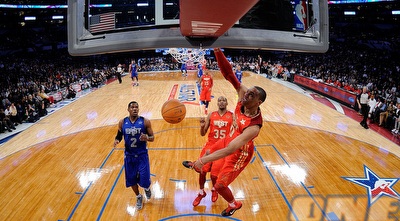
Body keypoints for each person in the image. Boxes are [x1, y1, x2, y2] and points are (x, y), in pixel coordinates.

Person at [184, 48, 267, 217]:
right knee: (207, 153)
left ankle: (233, 204)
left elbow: (230, 149)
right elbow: (229, 73)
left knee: (220, 184)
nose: (246, 94)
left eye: (251, 95)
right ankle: (198, 165)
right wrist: (217, 50)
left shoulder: (254, 127)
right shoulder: (243, 95)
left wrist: (203, 160)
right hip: (230, 138)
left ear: (258, 102)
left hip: (240, 152)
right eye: (248, 91)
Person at [184, 96, 234, 207]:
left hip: (223, 148)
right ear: (217, 103)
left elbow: (236, 133)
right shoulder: (212, 115)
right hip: (210, 146)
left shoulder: (232, 116)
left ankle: (214, 189)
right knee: (202, 171)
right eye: (219, 100)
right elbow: (203, 133)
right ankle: (201, 192)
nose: (221, 102)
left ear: (226, 103)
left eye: (223, 100)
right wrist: (202, 126)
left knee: (214, 175)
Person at [113, 101, 155, 210]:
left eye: (136, 107)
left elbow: (152, 138)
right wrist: (116, 140)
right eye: (132, 107)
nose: (135, 109)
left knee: (145, 181)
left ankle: (146, 188)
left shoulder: (145, 122)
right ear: (128, 109)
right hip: (129, 156)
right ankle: (138, 196)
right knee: (131, 180)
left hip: (142, 156)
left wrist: (147, 138)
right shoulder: (122, 122)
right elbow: (119, 135)